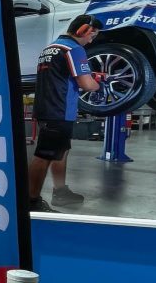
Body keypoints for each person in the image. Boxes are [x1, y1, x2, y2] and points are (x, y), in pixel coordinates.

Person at [29, 14, 104, 212]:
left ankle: (60, 192)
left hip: (48, 106)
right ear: (84, 30)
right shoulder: (75, 50)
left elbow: (63, 75)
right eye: (92, 36)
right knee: (44, 155)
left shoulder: (52, 47)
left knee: (61, 151)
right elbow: (87, 85)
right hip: (59, 109)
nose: (91, 40)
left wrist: (91, 76)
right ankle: (30, 201)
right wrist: (99, 85)